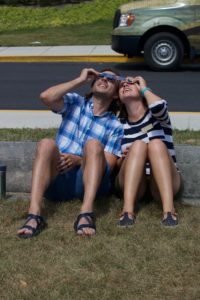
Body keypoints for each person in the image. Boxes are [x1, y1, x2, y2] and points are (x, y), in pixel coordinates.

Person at [17, 68, 123, 238]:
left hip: (87, 183)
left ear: (116, 94)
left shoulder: (115, 125)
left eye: (110, 79)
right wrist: (79, 80)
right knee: (46, 143)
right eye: (100, 77)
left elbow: (109, 165)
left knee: (93, 145)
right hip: (58, 176)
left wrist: (79, 160)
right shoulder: (75, 102)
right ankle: (34, 215)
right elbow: (46, 97)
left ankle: (86, 214)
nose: (103, 80)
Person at [115, 75, 181, 227]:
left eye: (132, 83)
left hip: (165, 183)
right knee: (138, 145)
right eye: (122, 85)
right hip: (135, 185)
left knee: (155, 144)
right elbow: (117, 164)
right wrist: (125, 157)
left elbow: (158, 106)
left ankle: (169, 211)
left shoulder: (157, 117)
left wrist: (144, 87)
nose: (125, 85)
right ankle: (127, 211)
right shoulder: (118, 125)